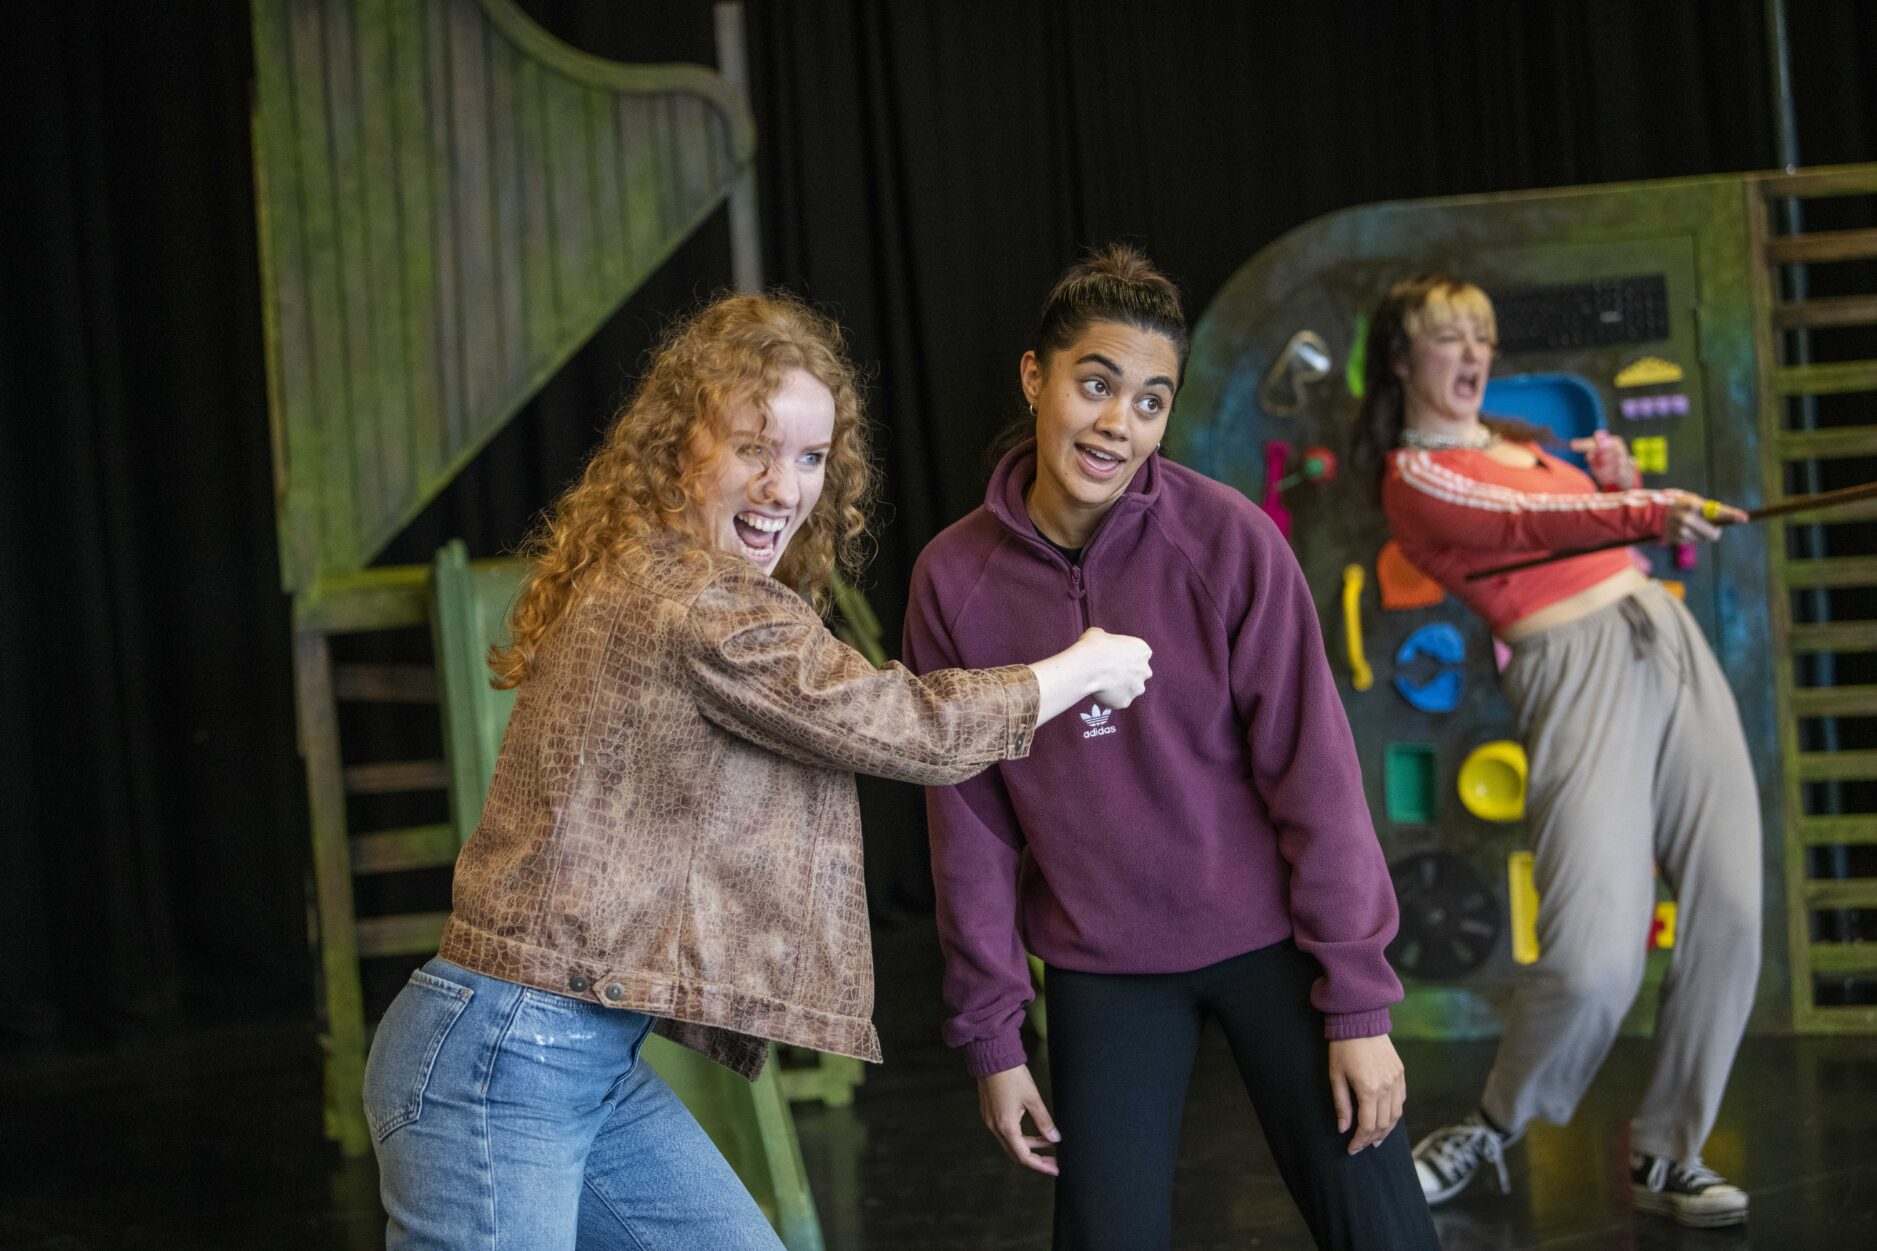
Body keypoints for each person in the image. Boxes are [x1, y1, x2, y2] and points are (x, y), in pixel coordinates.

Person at [362, 292, 1156, 1251]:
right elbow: (901, 724)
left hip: (571, 1055)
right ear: (678, 448)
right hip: (506, 1056)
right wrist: (1082, 666)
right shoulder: (698, 604)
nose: (785, 486)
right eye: (754, 447)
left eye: (811, 457)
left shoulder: (656, 572)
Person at [902, 246, 1439, 1251]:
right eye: (1094, 385)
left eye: (1149, 402)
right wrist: (990, 1036)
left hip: (1272, 945)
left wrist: (1357, 1008)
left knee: (1383, 1232)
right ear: (1035, 377)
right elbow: (966, 824)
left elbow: (1314, 778)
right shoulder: (952, 580)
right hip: (1101, 964)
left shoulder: (1229, 544)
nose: (1117, 424)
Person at [1360, 274, 1760, 1229]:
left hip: (1659, 637)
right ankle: (1494, 1125)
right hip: (1570, 666)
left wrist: (1622, 493)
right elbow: (1525, 530)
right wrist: (1642, 507)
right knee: (1591, 959)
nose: (1472, 355)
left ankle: (1667, 1152)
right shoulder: (1415, 477)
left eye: (1481, 335)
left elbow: (1597, 537)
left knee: (1735, 907)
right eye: (1447, 337)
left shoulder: (1525, 447)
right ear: (1401, 359)